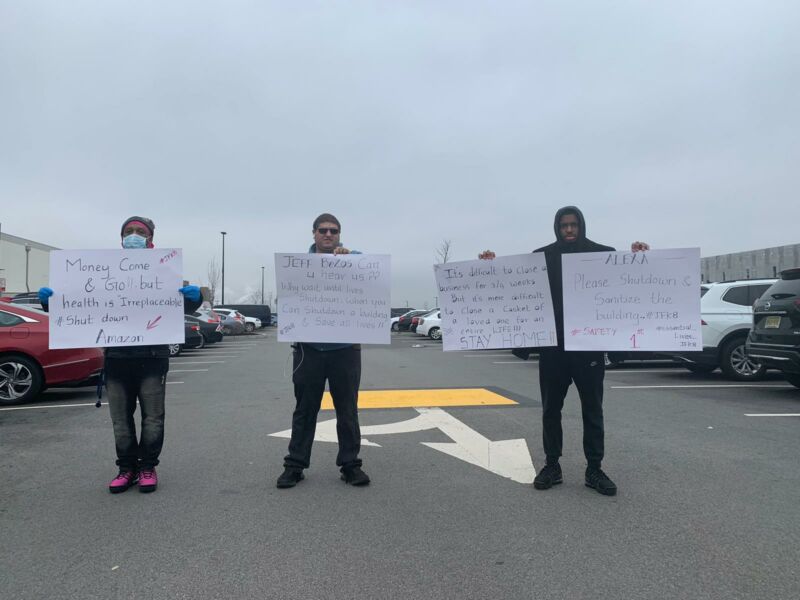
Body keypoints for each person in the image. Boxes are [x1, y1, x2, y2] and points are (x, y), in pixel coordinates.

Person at [479, 206, 648, 496]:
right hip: (553, 349)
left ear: (582, 225)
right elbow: (512, 284)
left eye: (573, 225)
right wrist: (490, 266)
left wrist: (639, 258)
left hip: (588, 348)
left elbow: (626, 282)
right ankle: (552, 465)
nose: (569, 230)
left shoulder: (601, 254)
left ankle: (594, 468)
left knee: (593, 410)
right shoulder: (542, 257)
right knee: (550, 410)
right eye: (563, 226)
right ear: (556, 228)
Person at [39, 216, 202, 494]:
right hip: (117, 358)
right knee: (120, 419)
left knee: (153, 417)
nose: (134, 235)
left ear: (151, 239)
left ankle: (148, 466)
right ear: (121, 238)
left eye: (140, 231)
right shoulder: (101, 271)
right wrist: (51, 301)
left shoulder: (164, 271)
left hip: (152, 357)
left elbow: (185, 306)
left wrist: (195, 297)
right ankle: (126, 469)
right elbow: (79, 307)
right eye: (129, 231)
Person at [276, 213, 370, 488]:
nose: (329, 235)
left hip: (345, 349)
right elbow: (287, 300)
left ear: (339, 234)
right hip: (309, 350)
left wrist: (350, 258)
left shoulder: (353, 260)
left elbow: (370, 280)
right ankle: (295, 465)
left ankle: (350, 465)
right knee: (305, 409)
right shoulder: (298, 267)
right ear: (314, 233)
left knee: (347, 410)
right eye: (323, 230)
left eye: (334, 231)